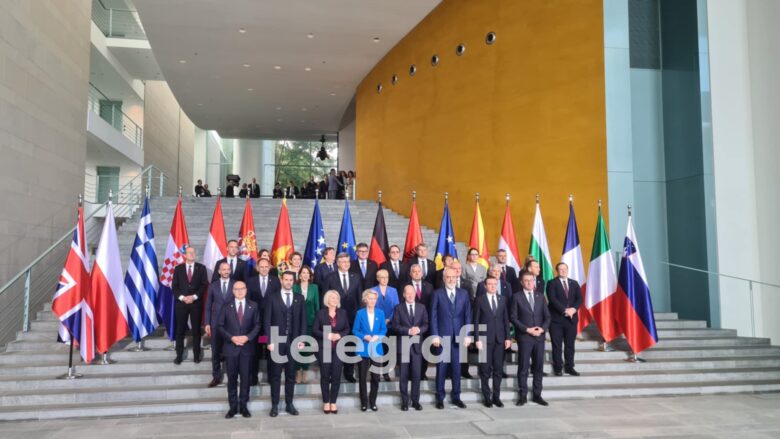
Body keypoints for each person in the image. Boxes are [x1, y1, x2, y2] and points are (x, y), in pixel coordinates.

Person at [265, 271, 307, 417]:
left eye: (291, 280)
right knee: (276, 375)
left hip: (293, 341)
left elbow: (303, 321)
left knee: (290, 375)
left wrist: (301, 340)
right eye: (286, 279)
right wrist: (269, 341)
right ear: (281, 280)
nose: (288, 282)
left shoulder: (299, 298)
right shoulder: (272, 297)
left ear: (294, 281)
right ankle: (275, 405)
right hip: (277, 342)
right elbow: (267, 321)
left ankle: (289, 404)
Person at [430, 267, 472, 409]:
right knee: (441, 369)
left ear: (456, 277)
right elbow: (433, 317)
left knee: (456, 369)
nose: (451, 279)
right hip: (441, 338)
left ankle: (456, 397)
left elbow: (468, 315)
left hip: (459, 339)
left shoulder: (464, 294)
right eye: (448, 277)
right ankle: (440, 398)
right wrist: (435, 335)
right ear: (443, 278)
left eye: (453, 277)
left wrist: (467, 335)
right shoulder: (437, 294)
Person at [217, 281, 260, 419]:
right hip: (231, 349)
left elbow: (258, 325)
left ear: (246, 290)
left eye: (242, 289)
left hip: (247, 348)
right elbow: (220, 326)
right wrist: (232, 338)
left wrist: (247, 337)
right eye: (237, 289)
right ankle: (233, 407)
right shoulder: (225, 306)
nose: (240, 291)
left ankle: (244, 406)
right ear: (233, 291)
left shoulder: (254, 306)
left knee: (246, 379)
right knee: (232, 379)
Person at [510, 270, 551, 407]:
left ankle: (537, 395)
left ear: (534, 282)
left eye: (531, 280)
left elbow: (547, 317)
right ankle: (523, 395)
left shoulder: (540, 296)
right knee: (523, 367)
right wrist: (527, 329)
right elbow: (513, 318)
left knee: (538, 367)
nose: (529, 283)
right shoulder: (516, 297)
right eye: (526, 281)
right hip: (525, 337)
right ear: (521, 282)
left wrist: (542, 329)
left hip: (539, 337)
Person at [473, 277, 512, 407]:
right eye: (490, 284)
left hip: (500, 340)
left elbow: (506, 320)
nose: (492, 286)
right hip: (484, 340)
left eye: (494, 284)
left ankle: (496, 396)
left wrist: (508, 338)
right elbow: (476, 321)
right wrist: (477, 339)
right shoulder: (479, 300)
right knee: (485, 370)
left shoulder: (502, 299)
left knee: (498, 370)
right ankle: (487, 397)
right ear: (485, 286)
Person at [391, 285, 429, 411]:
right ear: (404, 295)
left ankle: (415, 401)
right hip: (404, 345)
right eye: (407, 293)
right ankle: (405, 401)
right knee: (404, 375)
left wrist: (419, 329)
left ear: (415, 294)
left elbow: (426, 324)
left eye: (412, 293)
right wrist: (408, 331)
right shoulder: (398, 308)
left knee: (417, 374)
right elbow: (395, 326)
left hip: (417, 346)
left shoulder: (422, 307)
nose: (410, 295)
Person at [325, 252, 361, 382]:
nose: (347, 264)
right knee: (334, 346)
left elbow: (359, 298)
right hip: (335, 317)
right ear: (338, 263)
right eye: (344, 262)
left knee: (350, 345)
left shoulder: (356, 277)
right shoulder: (330, 277)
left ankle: (349, 372)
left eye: (348, 261)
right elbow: (326, 297)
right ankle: (332, 373)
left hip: (352, 318)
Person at [312, 290, 350, 414]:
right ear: (327, 300)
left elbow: (347, 329)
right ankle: (326, 402)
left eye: (337, 298)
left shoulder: (343, 313)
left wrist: (339, 335)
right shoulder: (321, 313)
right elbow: (315, 330)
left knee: (336, 375)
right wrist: (327, 335)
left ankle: (333, 402)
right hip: (324, 348)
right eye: (332, 298)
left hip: (338, 348)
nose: (335, 300)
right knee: (325, 375)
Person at [171, 246, 209, 365]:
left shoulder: (201, 268)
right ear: (185, 255)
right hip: (181, 304)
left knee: (196, 330)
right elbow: (175, 286)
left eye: (193, 252)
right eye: (189, 253)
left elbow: (204, 285)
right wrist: (183, 298)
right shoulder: (178, 268)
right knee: (180, 330)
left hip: (196, 303)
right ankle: (179, 355)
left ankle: (196, 355)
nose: (192, 254)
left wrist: (194, 297)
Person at [246, 257, 281, 385]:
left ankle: (272, 377)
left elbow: (278, 301)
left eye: (266, 267)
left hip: (271, 323)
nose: (264, 269)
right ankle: (253, 377)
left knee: (271, 351)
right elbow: (247, 302)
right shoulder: (250, 282)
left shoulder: (276, 281)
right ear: (257, 268)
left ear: (270, 267)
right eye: (262, 267)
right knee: (255, 351)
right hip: (255, 323)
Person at [353, 289, 387, 412]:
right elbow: (355, 330)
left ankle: (373, 402)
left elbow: (384, 329)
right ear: (365, 299)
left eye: (374, 299)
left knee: (375, 377)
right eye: (370, 298)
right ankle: (364, 402)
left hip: (376, 348)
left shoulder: (381, 313)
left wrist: (377, 336)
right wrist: (364, 336)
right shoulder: (360, 313)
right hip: (363, 348)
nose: (372, 301)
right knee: (362, 377)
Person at [546, 262, 582, 377]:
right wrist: (565, 310)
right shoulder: (552, 283)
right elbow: (552, 299)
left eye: (565, 269)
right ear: (557, 271)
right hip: (556, 320)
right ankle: (558, 368)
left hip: (571, 320)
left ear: (567, 270)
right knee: (557, 345)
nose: (563, 271)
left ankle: (569, 367)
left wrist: (574, 309)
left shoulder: (574, 283)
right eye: (560, 269)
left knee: (570, 345)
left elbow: (579, 299)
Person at [401, 263, 435, 380]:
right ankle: (411, 374)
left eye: (418, 271)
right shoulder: (404, 286)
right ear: (410, 274)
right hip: (408, 324)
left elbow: (432, 305)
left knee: (424, 349)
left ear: (422, 273)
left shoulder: (429, 286)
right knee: (409, 352)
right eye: (414, 271)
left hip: (424, 324)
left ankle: (422, 373)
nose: (416, 273)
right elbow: (401, 305)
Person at [205, 261, 234, 388]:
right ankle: (216, 376)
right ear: (219, 271)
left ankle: (232, 377)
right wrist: (207, 322)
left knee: (231, 352)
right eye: (224, 269)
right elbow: (208, 305)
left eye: (228, 269)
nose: (226, 271)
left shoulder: (236, 285)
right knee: (215, 351)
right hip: (215, 323)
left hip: (231, 324)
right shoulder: (213, 285)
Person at [292, 265, 320, 384]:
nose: (305, 275)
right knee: (297, 347)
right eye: (303, 273)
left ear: (310, 276)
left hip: (310, 321)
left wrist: (318, 321)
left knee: (307, 348)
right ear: (299, 275)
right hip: (296, 322)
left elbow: (317, 305)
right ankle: (297, 371)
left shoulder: (314, 287)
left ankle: (305, 371)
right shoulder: (294, 287)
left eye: (307, 273)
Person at [371, 269, 399, 381]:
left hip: (390, 324)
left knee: (389, 349)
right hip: (377, 325)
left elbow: (396, 307)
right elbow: (371, 307)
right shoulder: (373, 290)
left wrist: (389, 319)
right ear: (378, 278)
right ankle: (376, 374)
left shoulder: (393, 291)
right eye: (382, 277)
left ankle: (386, 373)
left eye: (386, 277)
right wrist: (381, 320)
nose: (384, 279)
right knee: (377, 349)